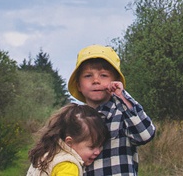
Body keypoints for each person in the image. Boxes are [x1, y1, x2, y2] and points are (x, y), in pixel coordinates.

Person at [67, 45, 156, 176]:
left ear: (115, 81)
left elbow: (145, 135)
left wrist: (122, 96)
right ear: (78, 85)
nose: (96, 81)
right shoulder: (73, 119)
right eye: (88, 76)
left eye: (104, 75)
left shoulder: (123, 114)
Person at [27, 103, 109, 176]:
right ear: (69, 142)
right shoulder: (68, 166)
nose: (98, 152)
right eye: (92, 147)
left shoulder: (47, 154)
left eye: (100, 145)